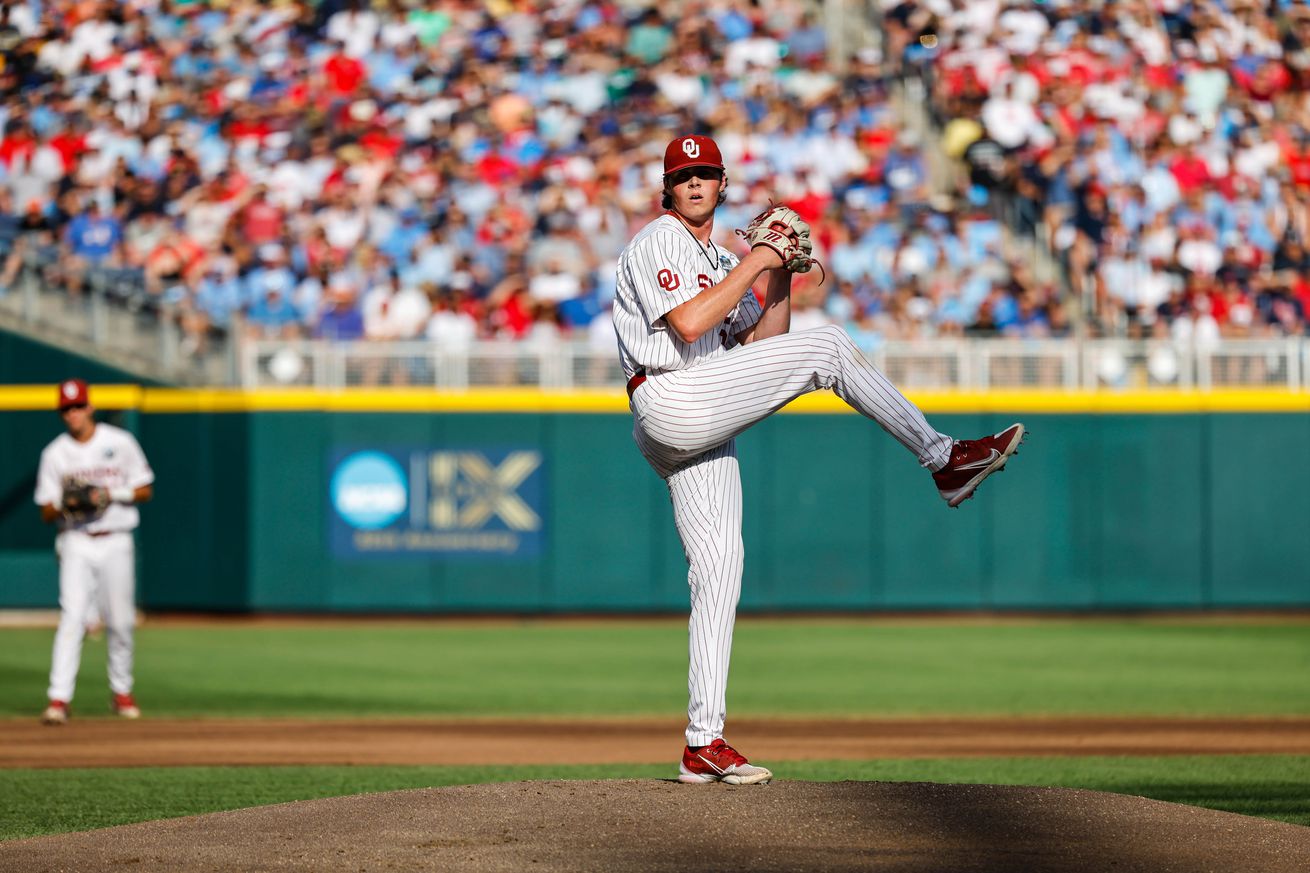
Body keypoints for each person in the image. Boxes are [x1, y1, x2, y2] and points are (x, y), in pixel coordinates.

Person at [612, 135, 1026, 785]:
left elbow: (763, 344)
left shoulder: (720, 254)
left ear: (721, 184)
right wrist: (756, 261)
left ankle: (703, 740)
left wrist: (778, 272)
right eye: (682, 175)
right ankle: (943, 456)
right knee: (830, 347)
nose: (693, 183)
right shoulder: (659, 239)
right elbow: (691, 324)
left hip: (704, 408)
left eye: (704, 173)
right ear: (669, 189)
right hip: (670, 395)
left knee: (720, 570)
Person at [34, 379, 155, 725]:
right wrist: (67, 504)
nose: (72, 413)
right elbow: (45, 510)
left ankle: (121, 692)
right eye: (66, 409)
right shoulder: (55, 453)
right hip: (77, 539)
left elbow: (145, 488)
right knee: (72, 617)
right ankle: (59, 699)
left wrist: (108, 494)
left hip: (116, 537)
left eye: (78, 406)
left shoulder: (120, 442)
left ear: (90, 407)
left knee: (120, 622)